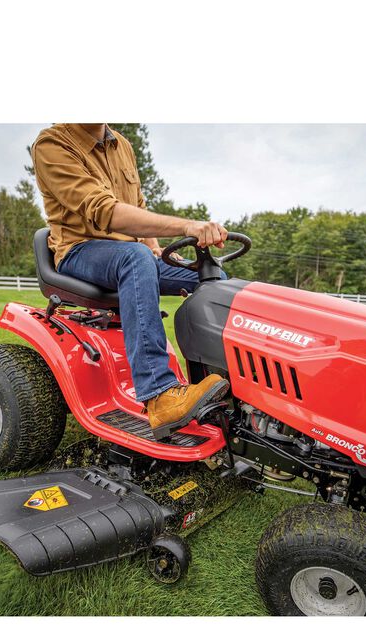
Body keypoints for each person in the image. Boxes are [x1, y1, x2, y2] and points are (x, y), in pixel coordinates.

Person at [31, 123, 230, 437]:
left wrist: (156, 250)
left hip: (130, 254)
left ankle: (224, 389)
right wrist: (187, 226)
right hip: (79, 252)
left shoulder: (121, 144)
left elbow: (136, 206)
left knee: (212, 278)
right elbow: (106, 212)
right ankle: (159, 395)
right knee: (134, 259)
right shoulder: (52, 144)